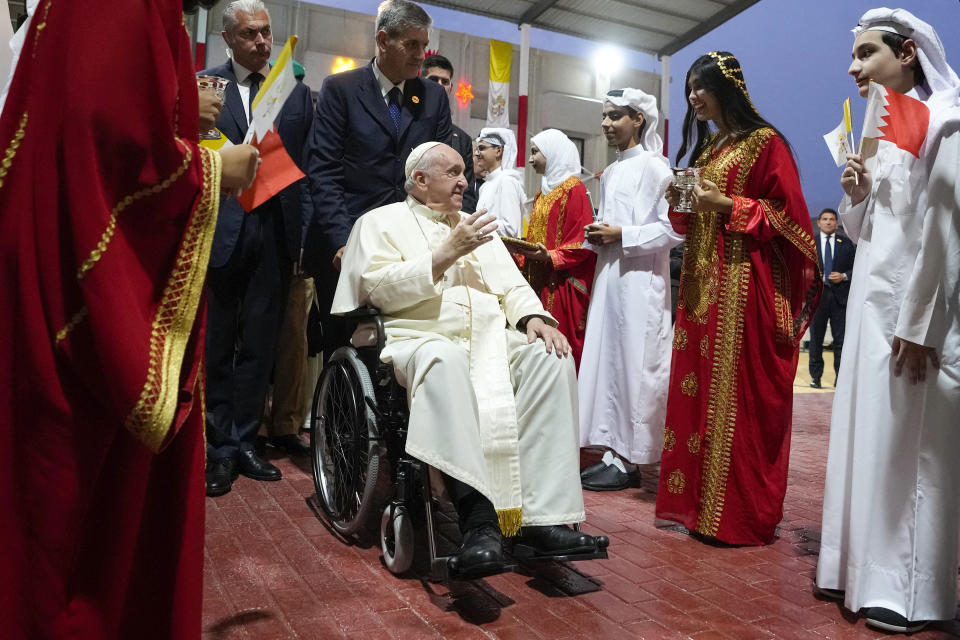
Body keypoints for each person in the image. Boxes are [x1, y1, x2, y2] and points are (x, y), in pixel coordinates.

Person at [0, 0, 259, 637]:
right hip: (83, 302)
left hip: (52, 270)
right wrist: (213, 169)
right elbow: (107, 159)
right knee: (78, 543)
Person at [333, 141, 605, 575]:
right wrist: (444, 254)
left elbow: (512, 285)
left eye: (464, 172)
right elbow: (376, 291)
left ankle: (540, 520)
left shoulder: (476, 227)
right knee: (444, 358)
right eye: (453, 172)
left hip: (489, 336)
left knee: (547, 357)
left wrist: (534, 315)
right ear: (420, 181)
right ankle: (478, 520)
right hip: (416, 337)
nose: (465, 180)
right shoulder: (378, 222)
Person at [816, 9, 960, 634]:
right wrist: (854, 191)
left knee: (912, 452)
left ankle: (909, 592)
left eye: (866, 53)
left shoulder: (946, 119)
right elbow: (866, 229)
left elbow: (946, 231)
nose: (853, 67)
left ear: (906, 54)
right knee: (872, 440)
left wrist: (923, 320)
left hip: (917, 316)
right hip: (874, 313)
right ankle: (857, 570)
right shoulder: (880, 127)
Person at [654, 52, 820, 545]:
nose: (692, 97)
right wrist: (678, 199)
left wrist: (725, 203)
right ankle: (698, 511)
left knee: (736, 401)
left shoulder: (764, 143)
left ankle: (738, 519)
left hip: (743, 291)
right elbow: (685, 224)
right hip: (702, 291)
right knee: (698, 398)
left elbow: (792, 223)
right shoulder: (709, 150)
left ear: (726, 90)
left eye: (700, 87)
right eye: (688, 89)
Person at [199, 0, 317, 496]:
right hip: (221, 231)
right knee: (218, 342)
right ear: (228, 38)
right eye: (250, 34)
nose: (262, 43)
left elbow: (307, 170)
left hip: (274, 232)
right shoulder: (205, 86)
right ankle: (219, 446)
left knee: (260, 344)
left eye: (267, 33)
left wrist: (302, 239)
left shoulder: (293, 93)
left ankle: (248, 441)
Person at [303, 0, 452, 356]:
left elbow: (445, 171)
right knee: (344, 350)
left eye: (424, 45)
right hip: (346, 242)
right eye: (411, 45)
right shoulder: (340, 90)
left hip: (409, 250)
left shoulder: (432, 98)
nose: (420, 56)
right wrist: (343, 242)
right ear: (384, 40)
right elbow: (323, 171)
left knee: (402, 351)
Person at [578, 89, 682, 491]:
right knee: (610, 364)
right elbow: (609, 223)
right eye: (604, 116)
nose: (606, 123)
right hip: (610, 277)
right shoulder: (614, 169)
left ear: (639, 119)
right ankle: (613, 450)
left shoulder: (657, 169)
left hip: (641, 283)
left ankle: (634, 458)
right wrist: (600, 236)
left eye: (615, 116)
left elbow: (673, 229)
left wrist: (624, 234)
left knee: (636, 368)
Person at [511, 129, 596, 370]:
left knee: (562, 349)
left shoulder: (574, 189)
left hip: (562, 284)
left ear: (553, 153)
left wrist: (550, 256)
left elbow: (583, 241)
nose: (530, 159)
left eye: (535, 152)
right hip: (539, 280)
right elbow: (537, 235)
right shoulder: (541, 193)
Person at [423, 53, 477, 212]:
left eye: (444, 81)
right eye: (433, 80)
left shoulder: (462, 139)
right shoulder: (407, 125)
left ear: (450, 87)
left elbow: (466, 193)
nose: (439, 85)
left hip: (447, 221)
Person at [807, 208, 855, 388]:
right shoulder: (810, 243)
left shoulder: (847, 244)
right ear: (818, 223)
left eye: (832, 219)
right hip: (817, 297)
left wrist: (844, 276)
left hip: (839, 297)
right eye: (825, 219)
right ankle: (815, 377)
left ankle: (840, 379)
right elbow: (801, 268)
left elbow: (857, 267)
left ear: (837, 223)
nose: (828, 222)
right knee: (816, 339)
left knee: (840, 341)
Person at [474, 127, 526, 238]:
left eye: (481, 148)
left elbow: (510, 229)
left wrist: (476, 228)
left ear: (498, 150)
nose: (476, 153)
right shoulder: (484, 186)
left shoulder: (507, 181)